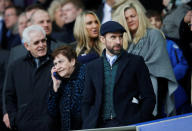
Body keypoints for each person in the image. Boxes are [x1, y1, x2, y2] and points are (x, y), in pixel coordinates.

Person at [82, 21, 156, 129]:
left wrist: (139, 119)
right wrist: (89, 121)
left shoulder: (135, 62)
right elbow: (86, 101)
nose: (118, 41)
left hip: (129, 124)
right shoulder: (92, 66)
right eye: (113, 37)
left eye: (120, 37)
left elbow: (149, 97)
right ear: (102, 39)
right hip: (99, 125)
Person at [114, 0, 177, 117]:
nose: (130, 20)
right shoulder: (124, 42)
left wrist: (131, 71)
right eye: (126, 18)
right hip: (130, 92)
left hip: (154, 87)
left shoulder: (155, 34)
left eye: (133, 16)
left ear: (140, 16)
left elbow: (158, 65)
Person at [4, 25, 58, 131]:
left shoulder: (57, 63)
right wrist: (15, 119)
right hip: (24, 125)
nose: (41, 45)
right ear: (27, 46)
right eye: (36, 42)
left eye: (43, 41)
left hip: (51, 125)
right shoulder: (15, 66)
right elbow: (9, 96)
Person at [48, 45, 86, 131]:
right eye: (55, 64)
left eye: (61, 62)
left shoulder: (87, 75)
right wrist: (55, 87)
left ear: (72, 61)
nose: (58, 67)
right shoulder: (58, 81)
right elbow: (52, 113)